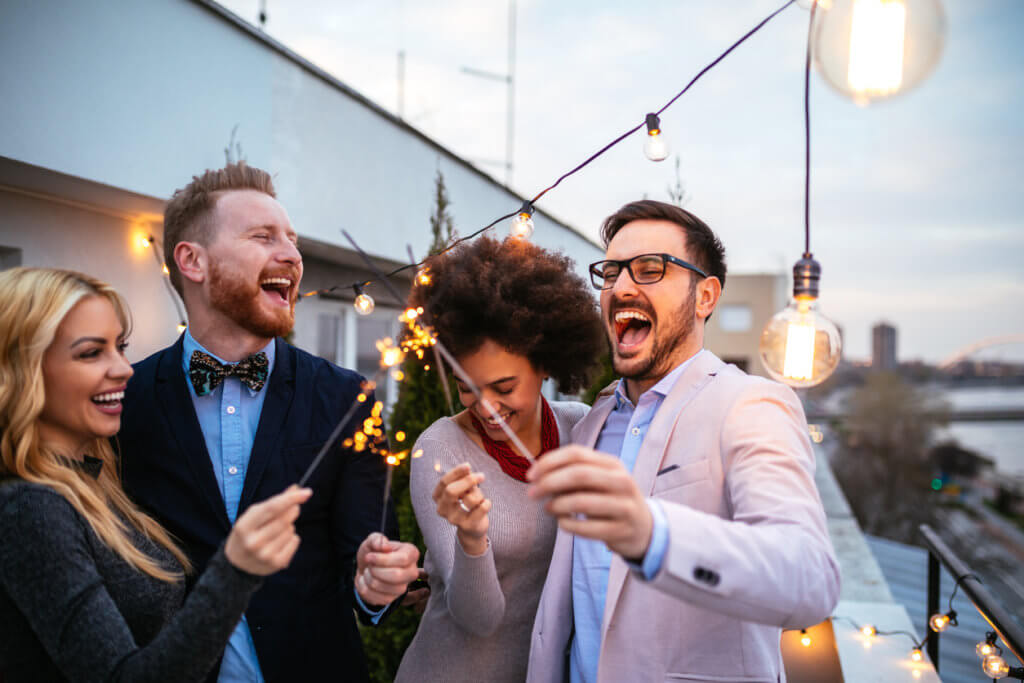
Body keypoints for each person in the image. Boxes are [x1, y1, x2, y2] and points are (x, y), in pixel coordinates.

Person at [117, 162, 421, 683]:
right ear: (193, 260)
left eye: (292, 239)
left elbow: (364, 561)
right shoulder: (126, 399)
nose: (292, 255)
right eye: (263, 236)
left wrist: (375, 585)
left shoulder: (347, 397)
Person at [525, 200, 841, 683]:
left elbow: (810, 578)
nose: (622, 286)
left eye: (650, 269)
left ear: (705, 297)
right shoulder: (591, 425)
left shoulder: (752, 406)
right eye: (611, 272)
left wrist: (654, 535)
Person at [0, 267, 312, 682]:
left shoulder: (97, 479)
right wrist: (235, 570)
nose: (124, 369)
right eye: (92, 353)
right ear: (24, 371)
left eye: (120, 347)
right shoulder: (31, 508)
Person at [395, 236, 606, 683]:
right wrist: (472, 538)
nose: (486, 406)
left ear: (546, 363)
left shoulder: (581, 430)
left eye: (504, 387)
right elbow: (479, 620)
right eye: (468, 387)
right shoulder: (440, 448)